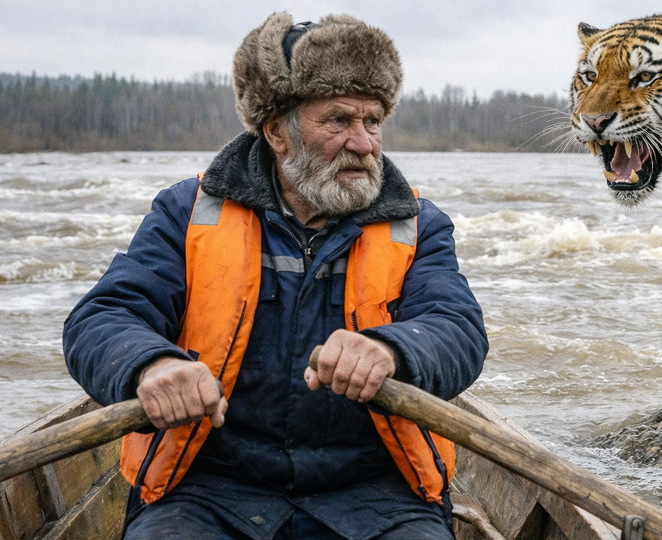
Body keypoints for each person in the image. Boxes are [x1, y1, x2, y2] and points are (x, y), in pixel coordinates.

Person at [62, 12, 487, 540]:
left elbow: (459, 329)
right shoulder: (186, 210)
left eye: (373, 121)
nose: (365, 143)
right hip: (211, 491)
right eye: (338, 121)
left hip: (376, 496)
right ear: (275, 132)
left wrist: (392, 349)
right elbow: (103, 317)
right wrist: (151, 365)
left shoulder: (419, 224)